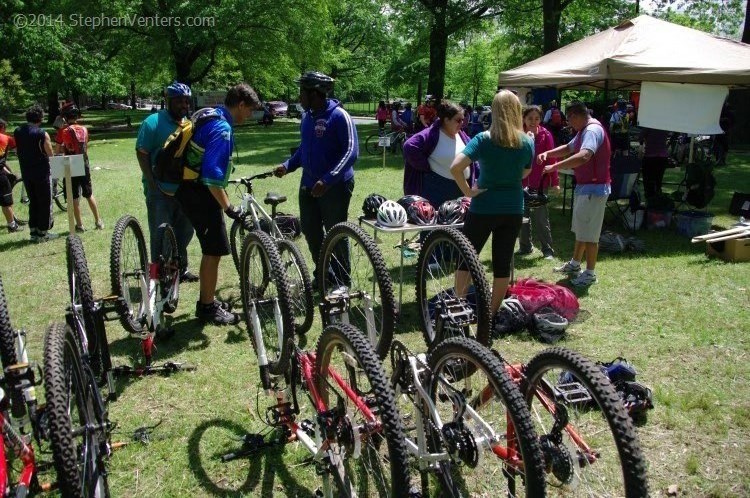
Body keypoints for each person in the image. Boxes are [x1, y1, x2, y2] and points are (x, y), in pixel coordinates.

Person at [175, 83, 261, 325]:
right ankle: (207, 307)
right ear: (240, 104)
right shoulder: (222, 127)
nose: (250, 115)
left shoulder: (212, 114)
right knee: (213, 251)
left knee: (211, 250)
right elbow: (212, 175)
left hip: (190, 188)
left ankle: (207, 301)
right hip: (199, 193)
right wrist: (228, 207)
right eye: (249, 110)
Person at [449, 90, 533, 316]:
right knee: (502, 264)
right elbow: (525, 173)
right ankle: (491, 315)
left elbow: (456, 167)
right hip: (513, 208)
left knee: (467, 258)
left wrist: (468, 191)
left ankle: (458, 305)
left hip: (484, 207)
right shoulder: (527, 142)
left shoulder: (483, 139)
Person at [274, 71, 357, 285]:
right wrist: (287, 165)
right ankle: (323, 273)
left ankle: (342, 280)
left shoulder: (339, 116)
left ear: (315, 93)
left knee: (335, 232)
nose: (299, 97)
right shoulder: (307, 117)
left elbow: (351, 152)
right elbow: (304, 150)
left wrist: (328, 180)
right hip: (308, 183)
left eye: (302, 92)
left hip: (335, 186)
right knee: (311, 231)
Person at [539, 101, 611, 287]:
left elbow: (584, 155)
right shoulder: (582, 131)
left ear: (575, 116)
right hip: (585, 188)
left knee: (590, 235)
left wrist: (554, 166)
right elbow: (569, 148)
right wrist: (548, 153)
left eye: (568, 119)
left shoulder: (592, 131)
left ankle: (590, 273)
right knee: (582, 230)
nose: (568, 124)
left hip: (594, 190)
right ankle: (575, 264)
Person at [135, 81, 198, 282]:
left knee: (185, 229)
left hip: (184, 188)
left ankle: (180, 268)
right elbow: (142, 152)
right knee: (160, 234)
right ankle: (157, 275)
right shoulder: (152, 122)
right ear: (168, 101)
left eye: (186, 101)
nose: (183, 105)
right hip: (159, 190)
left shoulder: (188, 124)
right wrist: (152, 183)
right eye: (179, 101)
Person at [402, 100, 478, 208]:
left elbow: (474, 158)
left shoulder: (462, 136)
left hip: (461, 192)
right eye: (458, 120)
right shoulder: (430, 134)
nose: (462, 123)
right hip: (436, 190)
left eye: (463, 119)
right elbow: (409, 147)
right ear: (446, 120)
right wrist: (426, 167)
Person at [518, 106, 559, 259]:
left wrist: (555, 181)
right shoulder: (519, 134)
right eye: (530, 118)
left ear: (540, 119)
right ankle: (525, 246)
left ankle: (547, 249)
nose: (533, 122)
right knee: (522, 216)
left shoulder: (546, 135)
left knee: (541, 217)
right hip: (522, 182)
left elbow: (552, 159)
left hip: (540, 182)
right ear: (524, 119)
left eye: (537, 118)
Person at [55, 104, 103, 232]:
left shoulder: (63, 131)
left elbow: (58, 148)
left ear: (65, 117)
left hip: (70, 163)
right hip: (83, 162)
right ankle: (98, 221)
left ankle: (80, 225)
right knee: (88, 193)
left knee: (73, 196)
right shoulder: (84, 129)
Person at [13, 105, 57, 242]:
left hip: (26, 171)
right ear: (40, 118)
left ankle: (33, 231)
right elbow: (50, 153)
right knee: (44, 201)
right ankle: (43, 232)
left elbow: (17, 150)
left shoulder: (18, 131)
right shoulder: (41, 133)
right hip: (41, 172)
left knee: (33, 201)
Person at [0, 119, 24, 233]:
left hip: (1, 169)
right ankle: (12, 225)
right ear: (3, 127)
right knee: (7, 201)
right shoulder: (6, 138)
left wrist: (9, 171)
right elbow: (18, 151)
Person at [639, 127, 670, 200]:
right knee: (658, 181)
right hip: (662, 157)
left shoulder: (649, 126)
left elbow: (640, 137)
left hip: (650, 156)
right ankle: (657, 201)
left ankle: (650, 201)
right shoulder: (664, 126)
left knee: (648, 181)